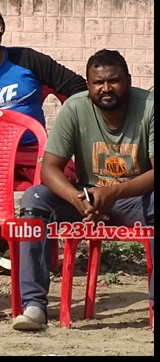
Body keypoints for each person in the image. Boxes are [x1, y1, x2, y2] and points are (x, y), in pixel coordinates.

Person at [12, 50, 153, 331]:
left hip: (135, 200)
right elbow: (49, 169)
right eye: (98, 83)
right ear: (88, 85)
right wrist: (76, 199)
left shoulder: (149, 107)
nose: (106, 88)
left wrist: (113, 192)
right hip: (87, 201)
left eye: (113, 81)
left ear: (128, 80)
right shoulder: (75, 107)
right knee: (35, 198)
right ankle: (34, 306)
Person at [0, 7, 86, 269]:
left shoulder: (27, 60)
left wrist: (64, 133)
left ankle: (38, 242)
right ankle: (4, 244)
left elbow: (77, 88)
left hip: (32, 150)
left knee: (67, 176)